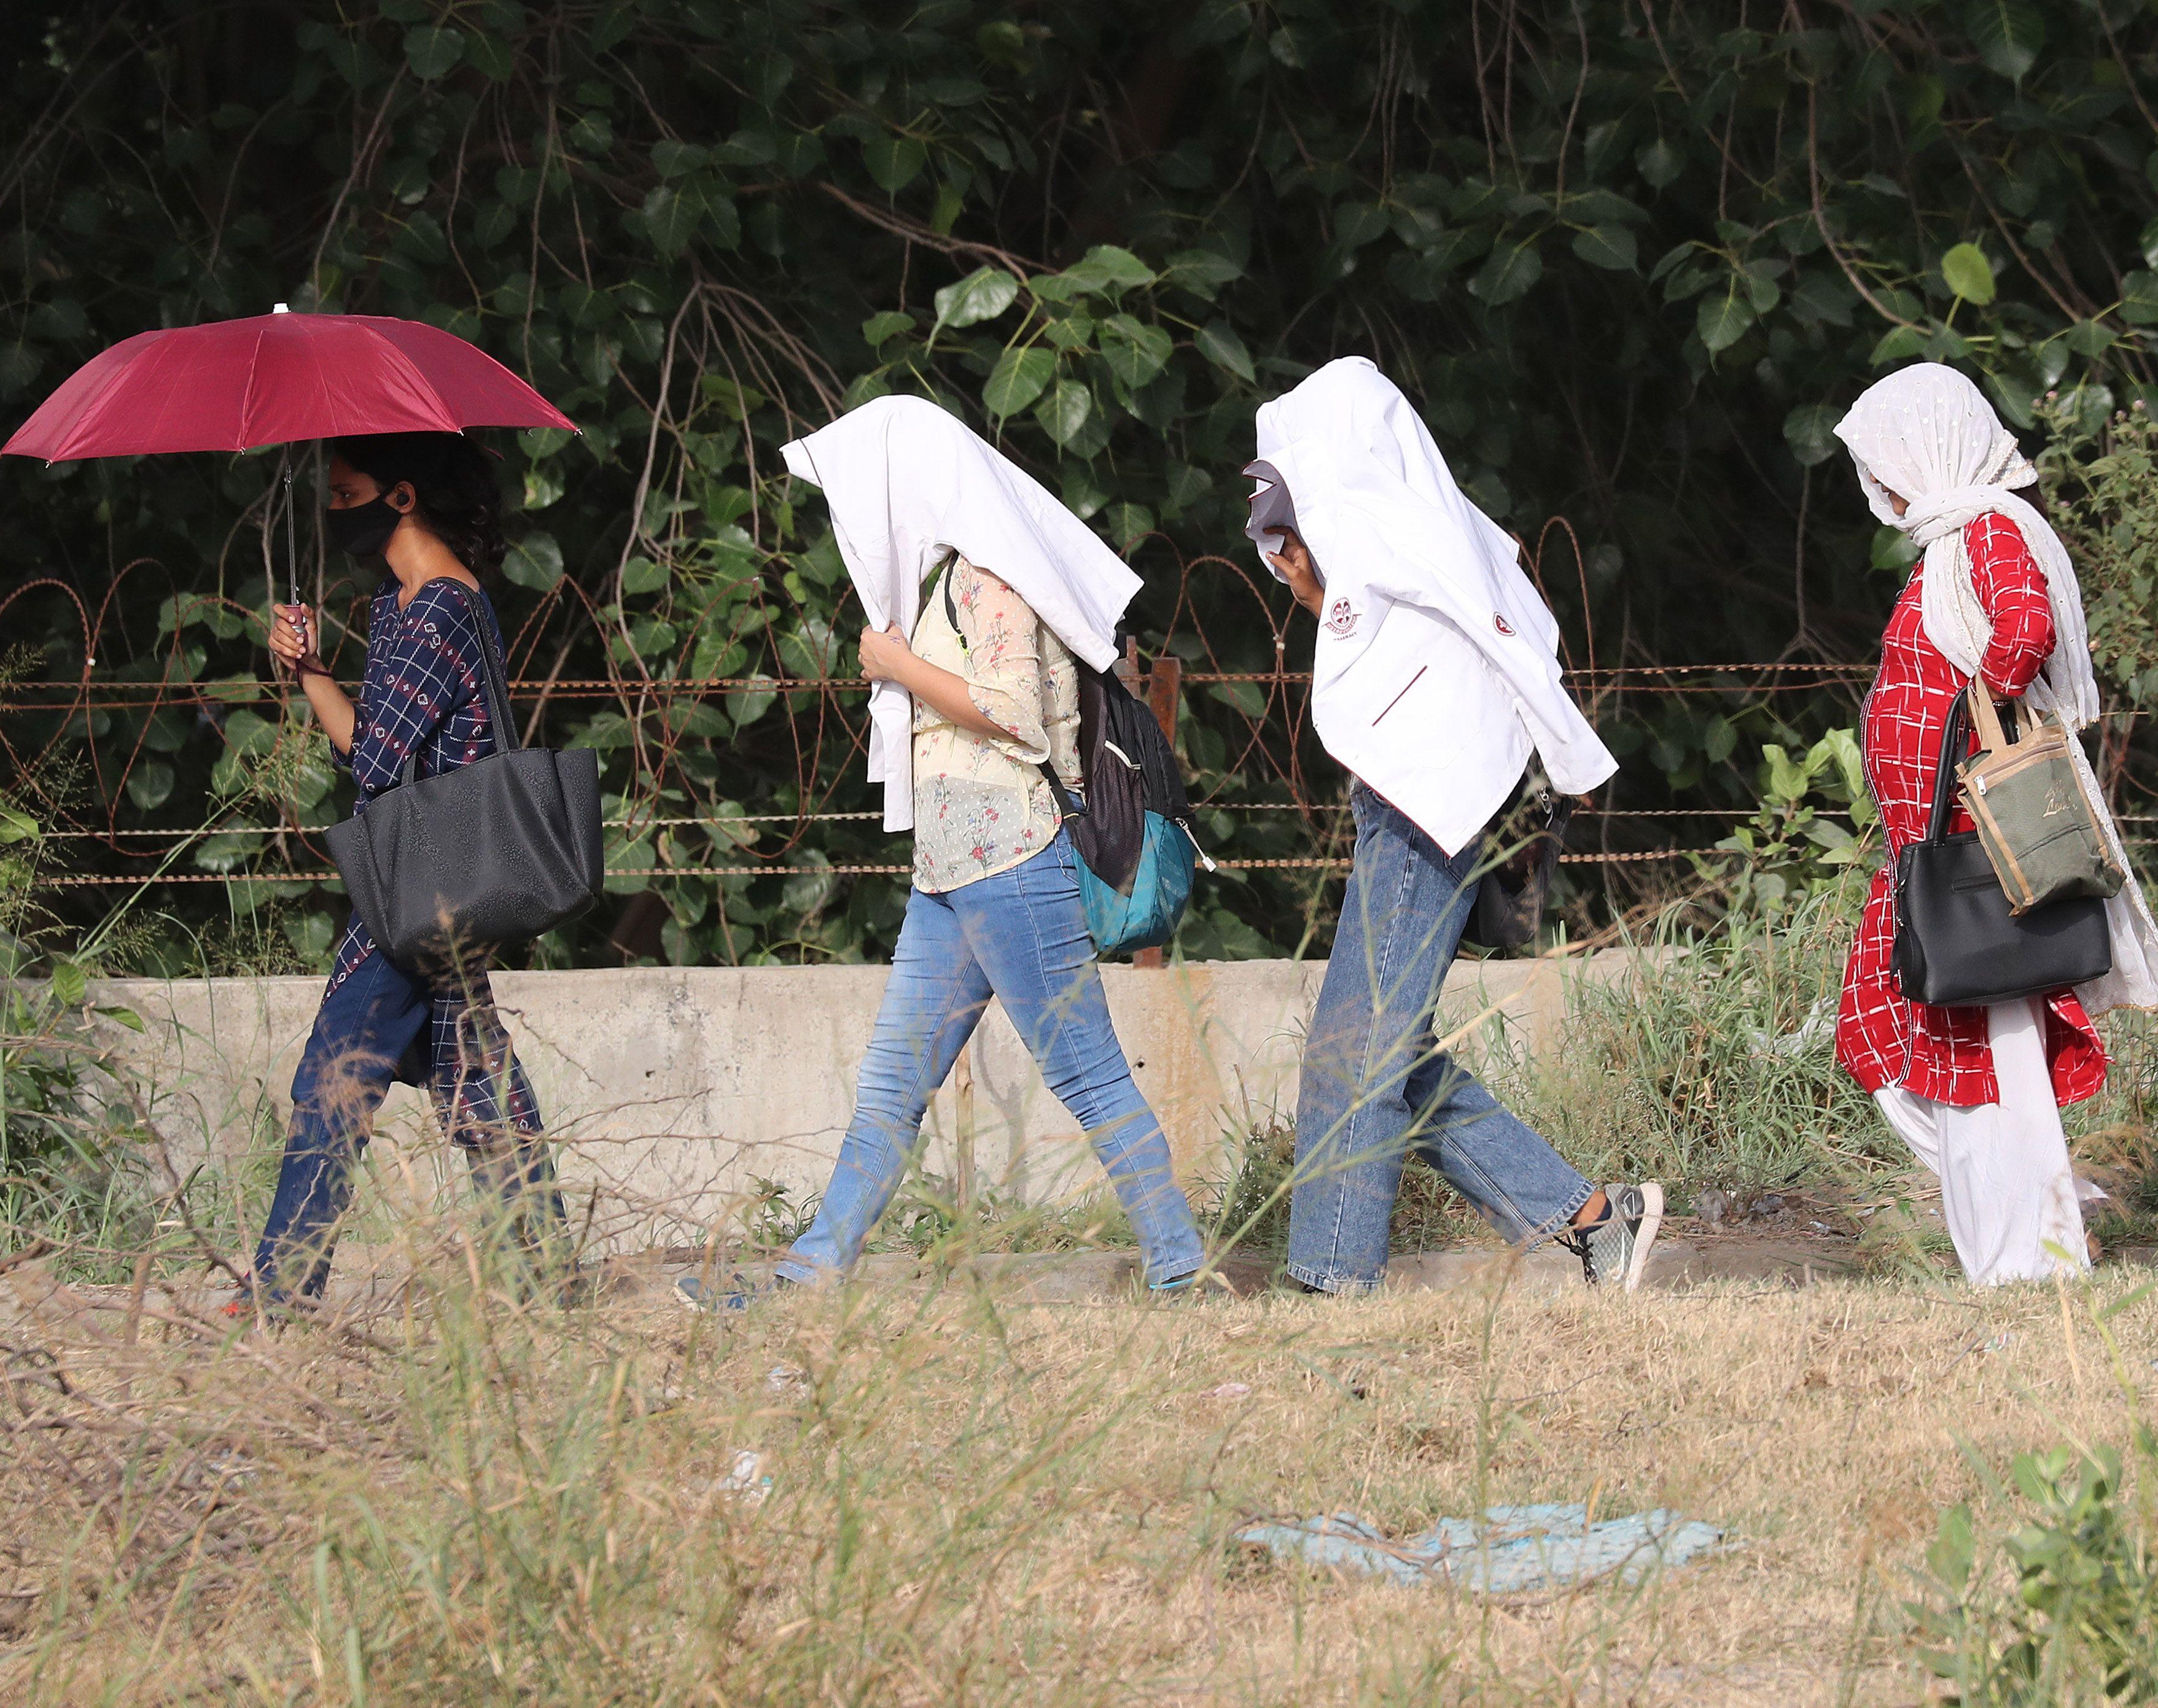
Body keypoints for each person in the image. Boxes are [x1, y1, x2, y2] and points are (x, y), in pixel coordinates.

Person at [680, 395, 1210, 1305]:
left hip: (1009, 858)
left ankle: (1181, 1271)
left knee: (1087, 1075)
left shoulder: (989, 578)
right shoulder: (964, 573)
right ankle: (804, 1280)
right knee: (890, 1087)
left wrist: (895, 665)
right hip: (953, 873)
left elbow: (1011, 716)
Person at [1243, 357, 1661, 1292]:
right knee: (1386, 1053)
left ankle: (1329, 1280)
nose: (1279, 539)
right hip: (1410, 797)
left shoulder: (1403, 530)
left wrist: (1568, 755)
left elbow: (1497, 642)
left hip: (1420, 804)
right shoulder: (1423, 525)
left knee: (1358, 1050)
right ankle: (1595, 1218)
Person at [1830, 363, 2158, 1287]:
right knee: (1899, 1039)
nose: (1882, 488)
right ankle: (2042, 1222)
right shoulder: (1954, 542)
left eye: (1887, 465)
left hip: (1969, 849)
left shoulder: (1987, 531)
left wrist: (1969, 731)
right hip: (1932, 845)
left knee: (1987, 1055)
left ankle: (2033, 1251)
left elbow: (2022, 627)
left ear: (1930, 449)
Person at [250, 430, 555, 1308]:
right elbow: (376, 750)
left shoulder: (436, 612)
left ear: (402, 496)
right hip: (433, 878)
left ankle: (280, 1291)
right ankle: (543, 1277)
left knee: (333, 1073)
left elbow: (376, 764)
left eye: (345, 497)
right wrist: (311, 671)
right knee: (475, 1079)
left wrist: (311, 677)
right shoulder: (403, 604)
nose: (332, 513)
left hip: (421, 884)